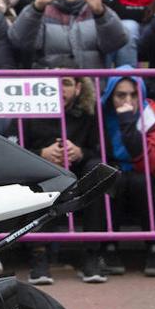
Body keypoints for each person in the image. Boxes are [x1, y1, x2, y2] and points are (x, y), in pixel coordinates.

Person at [19, 74, 104, 283]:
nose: (59, 89)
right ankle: (39, 255)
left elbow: (102, 151)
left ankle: (92, 255)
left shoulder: (89, 114)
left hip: (78, 176)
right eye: (53, 83)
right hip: (40, 173)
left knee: (97, 170)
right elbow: (13, 148)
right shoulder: (28, 113)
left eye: (65, 83)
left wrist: (80, 152)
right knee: (35, 174)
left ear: (77, 88)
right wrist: (41, 154)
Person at [99, 72, 155, 276]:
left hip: (148, 175)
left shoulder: (152, 115)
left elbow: (150, 163)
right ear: (110, 96)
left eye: (133, 95)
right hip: (116, 173)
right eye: (121, 95)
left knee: (142, 181)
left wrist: (127, 124)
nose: (128, 101)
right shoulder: (100, 113)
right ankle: (109, 248)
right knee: (110, 177)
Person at [10, 0, 126, 68]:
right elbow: (19, 41)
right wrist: (36, 8)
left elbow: (117, 43)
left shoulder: (97, 10)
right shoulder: (42, 11)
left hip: (92, 83)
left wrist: (101, 13)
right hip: (52, 83)